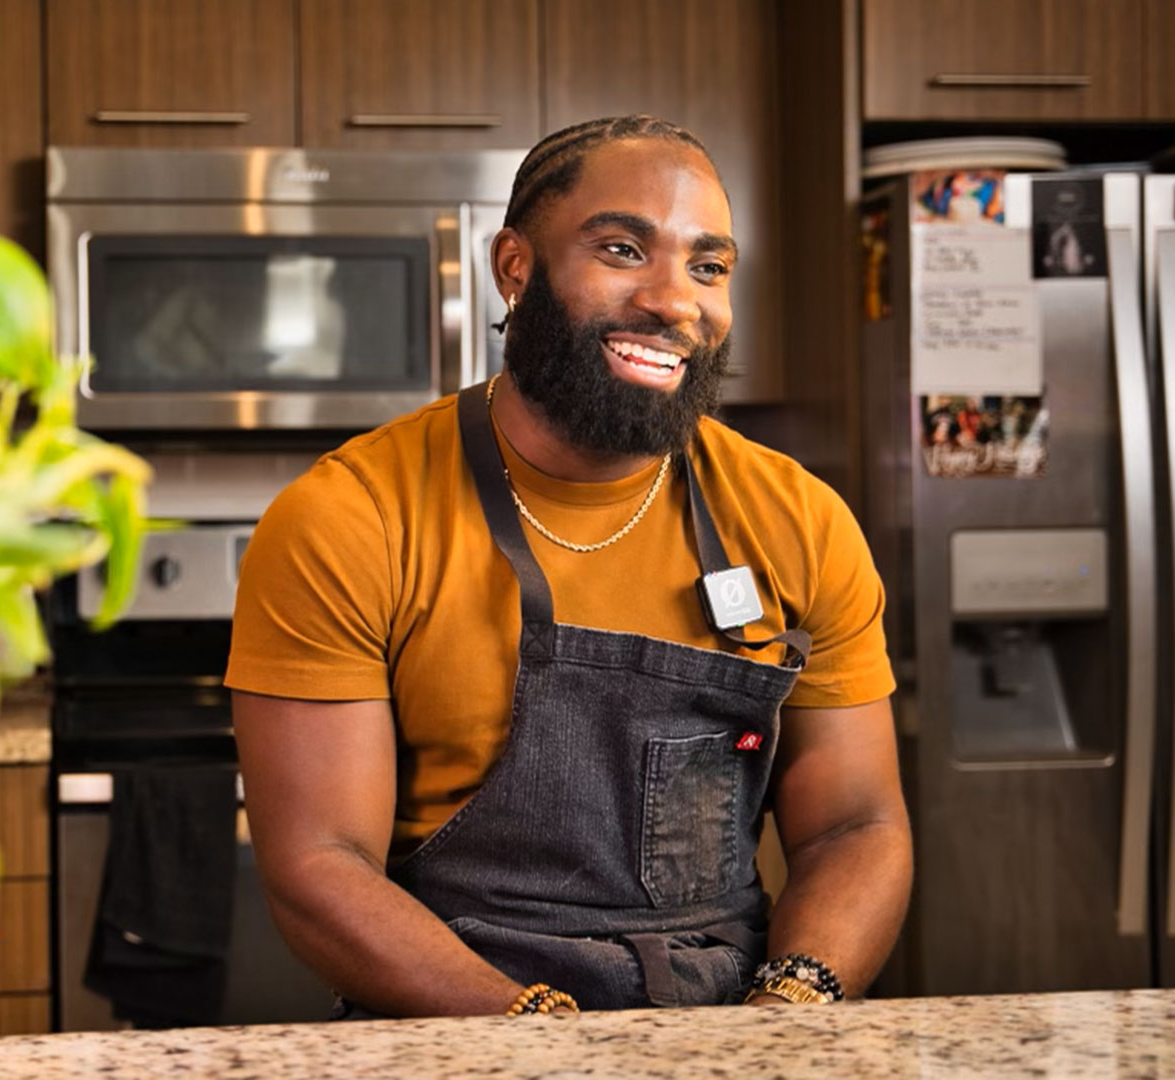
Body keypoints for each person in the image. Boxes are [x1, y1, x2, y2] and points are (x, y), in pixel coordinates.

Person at [226, 116, 912, 1018]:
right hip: (458, 1026)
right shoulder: (351, 518)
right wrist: (542, 1041)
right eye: (624, 249)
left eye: (708, 267)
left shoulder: (797, 519)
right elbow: (319, 865)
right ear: (516, 267)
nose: (675, 300)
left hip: (733, 1022)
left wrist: (789, 1009)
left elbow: (855, 827)